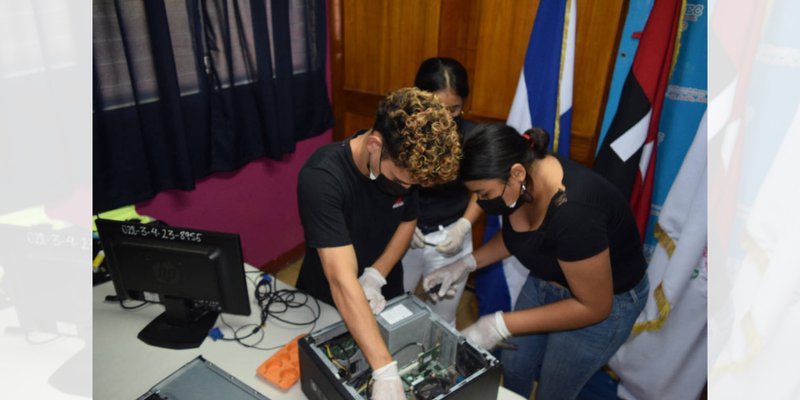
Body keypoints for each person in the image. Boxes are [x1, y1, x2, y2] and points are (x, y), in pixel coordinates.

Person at [423, 124, 648, 400]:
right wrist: (465, 264)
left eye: (483, 194)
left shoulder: (575, 213)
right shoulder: (519, 183)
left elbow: (594, 306)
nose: (481, 203)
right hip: (546, 279)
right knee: (516, 366)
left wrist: (499, 324)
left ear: (516, 173)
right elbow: (518, 238)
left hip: (602, 303)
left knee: (554, 389)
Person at [296, 87, 461, 400]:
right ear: (375, 145)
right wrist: (384, 370)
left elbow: (407, 221)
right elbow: (341, 279)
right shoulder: (323, 178)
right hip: (328, 299)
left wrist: (376, 275)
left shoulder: (404, 165)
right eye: (401, 182)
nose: (405, 188)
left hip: (384, 288)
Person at [402, 57, 482, 324]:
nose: (445, 119)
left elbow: (483, 191)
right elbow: (386, 183)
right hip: (404, 231)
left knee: (443, 316)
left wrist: (463, 226)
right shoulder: (401, 131)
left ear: (464, 104)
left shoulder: (472, 138)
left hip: (450, 236)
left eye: (454, 109)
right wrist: (402, 218)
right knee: (392, 307)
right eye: (436, 108)